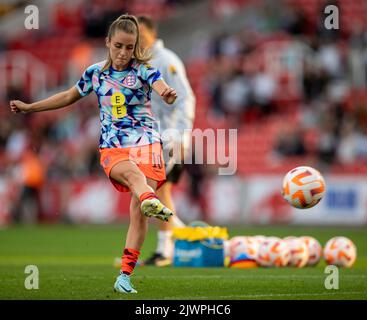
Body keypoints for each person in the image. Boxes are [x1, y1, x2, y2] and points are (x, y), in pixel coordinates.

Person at [10, 14, 178, 294]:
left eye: (129, 47)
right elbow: (67, 96)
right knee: (138, 183)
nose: (123, 53)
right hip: (113, 146)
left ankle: (124, 276)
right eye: (119, 46)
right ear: (108, 43)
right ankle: (149, 196)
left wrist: (166, 93)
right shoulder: (95, 74)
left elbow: (161, 86)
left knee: (138, 214)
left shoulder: (143, 70)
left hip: (146, 144)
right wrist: (30, 107)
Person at [137, 16, 196, 266]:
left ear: (151, 34)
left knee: (154, 190)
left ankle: (166, 249)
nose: (134, 37)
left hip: (170, 136)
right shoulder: (140, 63)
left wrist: (182, 133)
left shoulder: (167, 61)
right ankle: (184, 237)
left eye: (138, 32)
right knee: (158, 192)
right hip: (151, 138)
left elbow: (185, 98)